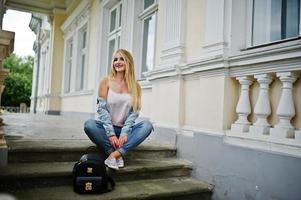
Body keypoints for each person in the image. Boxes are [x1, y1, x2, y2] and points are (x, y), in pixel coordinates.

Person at [84, 49, 153, 170]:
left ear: (128, 63)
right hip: (107, 128)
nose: (118, 62)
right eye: (115, 59)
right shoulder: (106, 82)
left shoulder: (135, 86)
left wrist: (125, 133)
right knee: (89, 125)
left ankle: (114, 154)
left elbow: (134, 113)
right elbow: (102, 110)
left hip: (125, 131)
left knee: (147, 125)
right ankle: (114, 152)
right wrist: (110, 134)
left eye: (122, 59)